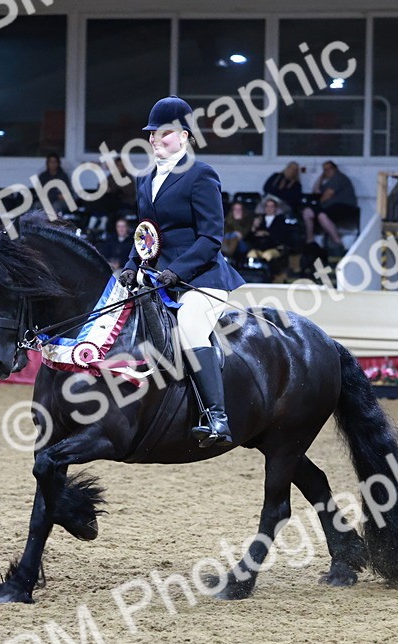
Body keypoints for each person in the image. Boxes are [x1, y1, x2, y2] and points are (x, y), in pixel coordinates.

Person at [118, 96, 246, 448]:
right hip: (159, 277)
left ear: (185, 136)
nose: (155, 139)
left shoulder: (200, 174)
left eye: (164, 133)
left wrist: (176, 270)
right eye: (152, 133)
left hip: (201, 278)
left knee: (190, 327)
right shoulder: (145, 179)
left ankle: (217, 418)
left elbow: (211, 238)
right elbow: (145, 234)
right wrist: (130, 265)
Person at [303, 160, 358, 248]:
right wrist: (321, 177)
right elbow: (316, 191)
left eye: (329, 169)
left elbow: (328, 195)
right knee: (307, 212)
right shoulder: (328, 182)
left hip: (344, 207)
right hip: (329, 207)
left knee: (322, 216)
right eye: (325, 170)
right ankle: (310, 240)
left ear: (335, 169)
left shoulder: (338, 178)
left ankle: (338, 242)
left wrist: (318, 204)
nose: (327, 171)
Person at [248, 197, 290, 263]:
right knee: (251, 255)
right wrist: (254, 227)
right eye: (267, 206)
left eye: (271, 206)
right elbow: (250, 237)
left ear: (275, 208)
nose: (269, 208)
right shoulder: (260, 220)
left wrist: (266, 233)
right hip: (259, 248)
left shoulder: (280, 221)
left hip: (274, 248)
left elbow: (281, 236)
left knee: (267, 255)